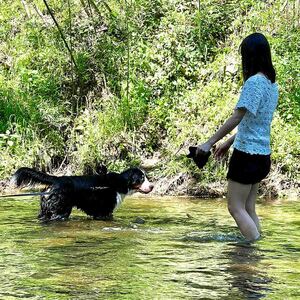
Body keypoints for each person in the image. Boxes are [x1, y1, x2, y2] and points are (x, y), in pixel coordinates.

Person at [197, 33, 279, 242]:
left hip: (247, 157)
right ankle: (255, 250)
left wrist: (209, 142)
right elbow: (256, 121)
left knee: (235, 207)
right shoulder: (272, 84)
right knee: (248, 207)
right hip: (262, 156)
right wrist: (229, 141)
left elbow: (238, 116)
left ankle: (252, 253)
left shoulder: (254, 82)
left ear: (249, 56)